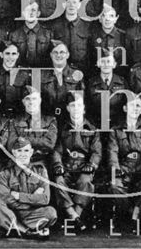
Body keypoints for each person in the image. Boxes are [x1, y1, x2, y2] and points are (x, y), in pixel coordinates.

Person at [0, 137, 57, 239]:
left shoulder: (41, 171)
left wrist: (19, 196)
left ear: (31, 152)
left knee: (51, 213)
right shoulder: (5, 173)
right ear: (14, 153)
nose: (23, 154)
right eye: (19, 151)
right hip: (11, 212)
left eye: (26, 150)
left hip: (31, 215)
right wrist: (32, 199)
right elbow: (4, 198)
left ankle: (15, 228)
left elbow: (45, 199)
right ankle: (26, 231)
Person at [52, 92, 101, 230]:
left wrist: (91, 165)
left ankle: (76, 215)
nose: (76, 109)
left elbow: (97, 152)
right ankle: (72, 215)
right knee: (59, 181)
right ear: (68, 108)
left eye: (79, 105)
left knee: (85, 182)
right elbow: (57, 151)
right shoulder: (62, 129)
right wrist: (58, 165)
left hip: (84, 166)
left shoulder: (92, 129)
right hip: (67, 166)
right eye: (73, 106)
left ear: (84, 108)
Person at [108, 96, 141, 226]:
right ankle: (130, 212)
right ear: (125, 108)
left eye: (138, 106)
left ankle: (136, 210)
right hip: (123, 168)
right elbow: (112, 152)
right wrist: (116, 169)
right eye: (132, 105)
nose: (135, 109)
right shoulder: (115, 130)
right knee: (115, 184)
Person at [6, 86, 58, 169]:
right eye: (27, 99)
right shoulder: (14, 121)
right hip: (18, 161)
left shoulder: (50, 120)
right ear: (23, 102)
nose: (31, 102)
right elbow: (11, 144)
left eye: (34, 99)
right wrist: (38, 142)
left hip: (41, 162)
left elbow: (49, 143)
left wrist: (23, 139)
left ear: (39, 101)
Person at [40, 40, 85, 118]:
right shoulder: (42, 75)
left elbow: (81, 100)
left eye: (62, 52)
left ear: (67, 55)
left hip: (69, 118)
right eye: (55, 52)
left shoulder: (76, 74)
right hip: (48, 118)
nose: (58, 55)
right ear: (51, 55)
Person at [49, 0, 91, 72]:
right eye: (68, 2)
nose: (71, 5)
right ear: (64, 4)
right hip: (61, 71)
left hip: (82, 71)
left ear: (79, 5)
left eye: (74, 2)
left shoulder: (87, 26)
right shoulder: (54, 26)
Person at [0, 41, 30, 116]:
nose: (10, 57)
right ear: (1, 55)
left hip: (19, 117)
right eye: (7, 53)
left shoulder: (25, 75)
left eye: (13, 54)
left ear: (18, 55)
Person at [87, 48, 129, 127]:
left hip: (117, 126)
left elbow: (126, 105)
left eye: (108, 61)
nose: (106, 65)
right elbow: (88, 107)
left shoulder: (122, 82)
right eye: (102, 61)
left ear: (114, 64)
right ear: (98, 64)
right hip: (96, 125)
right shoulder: (91, 83)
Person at [9, 0, 54, 67]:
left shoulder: (48, 34)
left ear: (38, 13)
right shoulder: (14, 35)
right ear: (23, 13)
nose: (30, 13)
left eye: (33, 10)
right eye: (27, 10)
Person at [87, 4, 127, 76]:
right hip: (97, 77)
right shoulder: (93, 37)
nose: (107, 19)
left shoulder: (123, 36)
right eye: (104, 15)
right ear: (100, 18)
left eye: (111, 16)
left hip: (120, 77)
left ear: (116, 18)